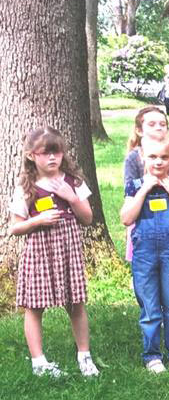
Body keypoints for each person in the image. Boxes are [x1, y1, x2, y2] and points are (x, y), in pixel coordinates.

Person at [8, 128, 99, 377]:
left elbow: (87, 218)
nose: (52, 158)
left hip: (69, 249)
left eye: (57, 152)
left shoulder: (73, 182)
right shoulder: (27, 187)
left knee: (76, 303)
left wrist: (71, 197)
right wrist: (38, 220)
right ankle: (39, 362)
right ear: (31, 155)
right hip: (40, 252)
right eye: (45, 153)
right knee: (34, 307)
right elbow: (15, 227)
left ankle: (84, 356)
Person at [119, 136, 169, 374]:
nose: (158, 162)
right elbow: (126, 218)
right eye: (152, 157)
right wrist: (144, 190)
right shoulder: (135, 184)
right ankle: (152, 355)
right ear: (143, 159)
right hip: (145, 253)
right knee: (149, 308)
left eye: (164, 157)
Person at [123, 107, 169, 262]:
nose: (158, 127)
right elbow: (129, 195)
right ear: (139, 130)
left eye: (162, 124)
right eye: (151, 124)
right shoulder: (133, 158)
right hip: (142, 221)